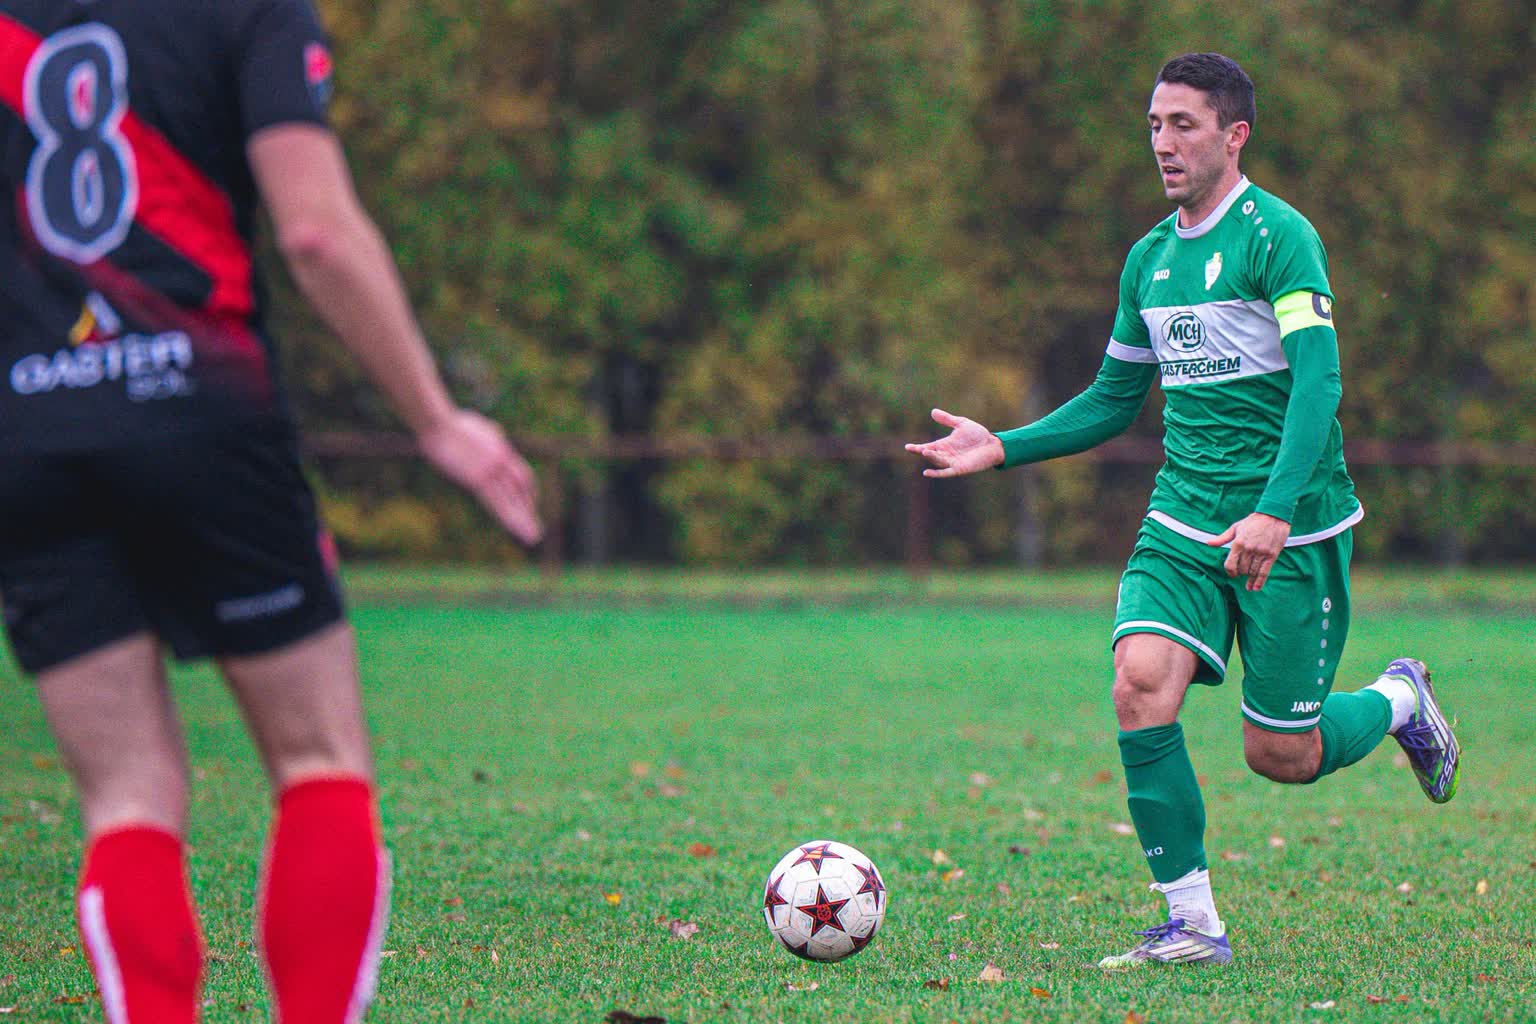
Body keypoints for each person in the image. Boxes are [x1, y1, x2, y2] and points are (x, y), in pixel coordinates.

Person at [0, 1, 541, 1020]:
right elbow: (317, 233)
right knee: (317, 762)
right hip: (202, 406)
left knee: (126, 799)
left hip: (30, 434)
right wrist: (434, 418)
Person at [905, 52, 1459, 968]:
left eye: (1183, 125)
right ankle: (1194, 925)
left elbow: (1319, 383)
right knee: (1138, 682)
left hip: (1292, 528)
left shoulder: (1279, 238)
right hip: (1182, 518)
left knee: (1280, 755)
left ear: (1234, 135)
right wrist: (1003, 444)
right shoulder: (1150, 260)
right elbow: (1112, 398)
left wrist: (1275, 511)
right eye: (1155, 126)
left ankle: (1400, 700)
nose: (1163, 142)